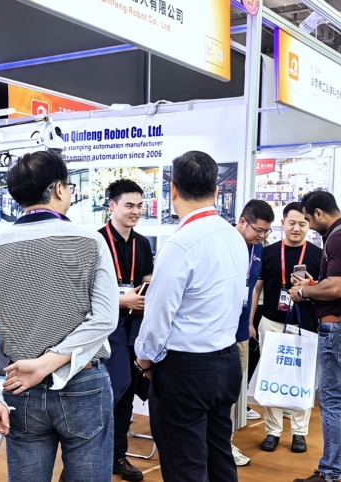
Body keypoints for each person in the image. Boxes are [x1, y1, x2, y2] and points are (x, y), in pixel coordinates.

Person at [0, 150, 119, 482]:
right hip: (83, 382)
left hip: (19, 388)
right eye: (69, 186)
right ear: (58, 189)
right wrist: (47, 364)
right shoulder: (90, 241)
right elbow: (104, 317)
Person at [134, 150, 248, 482]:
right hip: (226, 362)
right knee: (219, 458)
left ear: (173, 189)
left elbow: (157, 317)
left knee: (185, 466)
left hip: (186, 369)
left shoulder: (180, 244)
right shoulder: (234, 237)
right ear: (216, 190)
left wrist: (145, 361)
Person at [290, 190, 341, 482]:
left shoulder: (339, 237)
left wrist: (304, 291)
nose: (308, 226)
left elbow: (336, 287)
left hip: (337, 328)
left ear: (318, 213)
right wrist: (315, 284)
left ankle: (330, 472)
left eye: (308, 219)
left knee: (333, 401)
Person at [251, 202, 322, 454]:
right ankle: (272, 431)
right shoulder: (268, 252)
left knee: (302, 377)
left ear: (309, 225)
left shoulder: (318, 254)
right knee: (272, 375)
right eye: (292, 223)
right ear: (282, 224)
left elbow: (324, 290)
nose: (297, 228)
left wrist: (311, 285)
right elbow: (256, 289)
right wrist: (250, 321)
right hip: (271, 322)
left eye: (302, 224)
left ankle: (299, 432)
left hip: (304, 325)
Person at [100, 179, 155, 482]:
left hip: (134, 327)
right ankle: (91, 457)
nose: (136, 211)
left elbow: (146, 280)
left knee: (126, 395)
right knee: (105, 395)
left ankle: (117, 456)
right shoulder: (96, 241)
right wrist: (122, 300)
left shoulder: (143, 244)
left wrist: (147, 294)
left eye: (139, 206)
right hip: (105, 329)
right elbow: (86, 291)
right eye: (129, 205)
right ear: (112, 205)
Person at [230, 199, 275, 466]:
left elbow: (252, 287)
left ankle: (226, 441)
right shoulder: (226, 242)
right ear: (242, 221)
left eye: (267, 231)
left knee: (235, 390)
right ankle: (219, 444)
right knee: (219, 391)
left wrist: (248, 322)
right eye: (259, 230)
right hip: (218, 332)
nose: (262, 236)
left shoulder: (258, 248)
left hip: (240, 329)